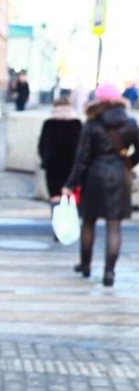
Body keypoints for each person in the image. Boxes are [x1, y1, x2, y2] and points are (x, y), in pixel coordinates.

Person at [62, 81, 139, 287]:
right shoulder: (130, 122)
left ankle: (85, 265)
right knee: (114, 225)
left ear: (99, 100)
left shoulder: (92, 123)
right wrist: (128, 164)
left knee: (89, 222)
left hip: (94, 175)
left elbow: (82, 158)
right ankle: (109, 273)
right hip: (120, 176)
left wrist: (70, 184)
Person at [38, 97, 83, 230]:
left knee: (55, 196)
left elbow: (42, 145)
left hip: (53, 166)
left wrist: (45, 160)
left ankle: (57, 227)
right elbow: (82, 147)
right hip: (73, 166)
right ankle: (70, 226)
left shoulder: (49, 123)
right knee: (71, 196)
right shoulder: (77, 124)